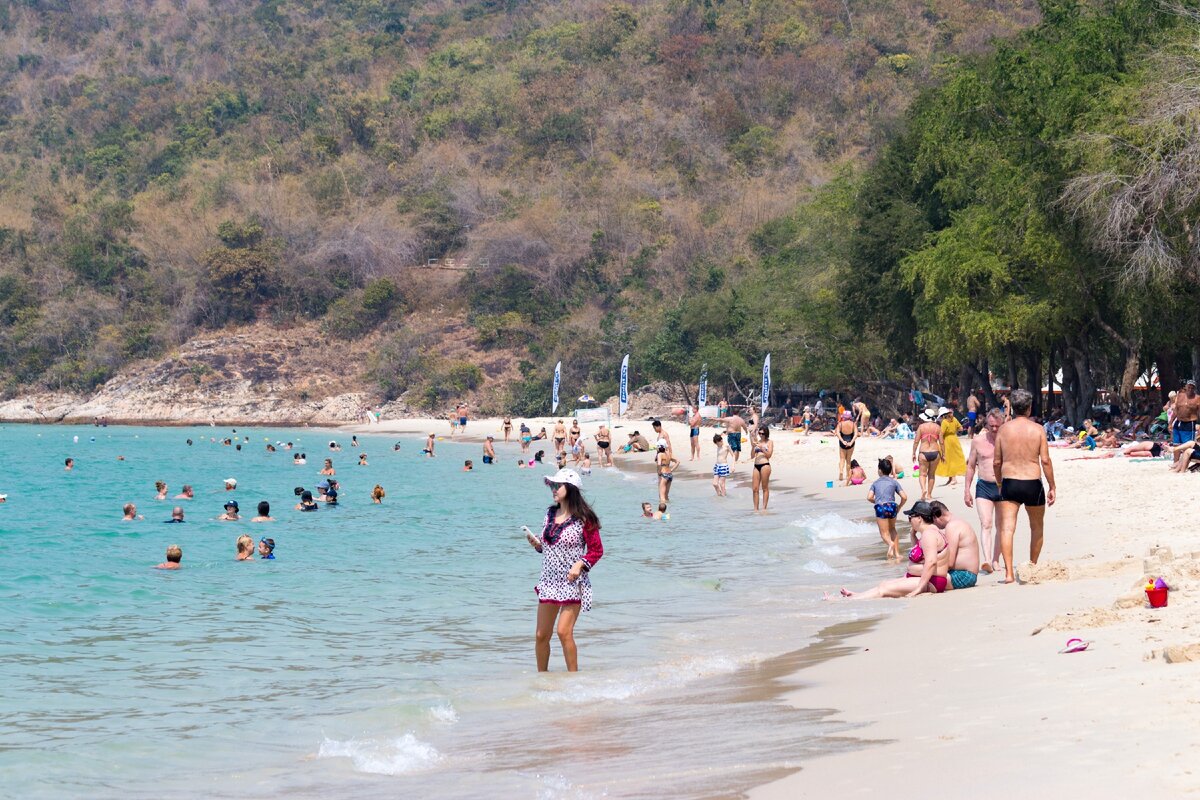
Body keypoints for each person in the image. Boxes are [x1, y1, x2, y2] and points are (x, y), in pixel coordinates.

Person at [528, 468, 604, 672]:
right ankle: (542, 679)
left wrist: (580, 564)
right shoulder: (549, 513)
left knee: (563, 632)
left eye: (556, 485)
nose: (552, 489)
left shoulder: (585, 518)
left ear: (570, 488)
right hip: (549, 581)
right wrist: (537, 545)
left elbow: (597, 550)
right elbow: (549, 546)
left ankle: (574, 679)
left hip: (572, 583)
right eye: (551, 485)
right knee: (541, 635)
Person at [994, 388, 1056, 584]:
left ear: (1012, 408)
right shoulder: (1037, 429)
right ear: (1029, 408)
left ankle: (1009, 574)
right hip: (1032, 483)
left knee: (1007, 529)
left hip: (1010, 482)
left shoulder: (1004, 429)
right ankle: (1032, 565)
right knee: (1036, 527)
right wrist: (1052, 486)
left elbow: (996, 462)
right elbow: (1045, 460)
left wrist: (999, 482)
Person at [839, 501, 950, 598]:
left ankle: (849, 601)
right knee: (884, 584)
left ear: (919, 518)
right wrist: (912, 536)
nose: (909, 520)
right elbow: (921, 553)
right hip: (925, 579)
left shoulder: (929, 535)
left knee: (884, 590)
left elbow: (931, 562)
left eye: (910, 517)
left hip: (931, 581)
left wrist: (919, 588)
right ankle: (857, 595)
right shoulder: (929, 532)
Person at [964, 409, 1004, 574]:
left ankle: (996, 559)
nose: (994, 429)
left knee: (1001, 526)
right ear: (987, 424)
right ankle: (987, 559)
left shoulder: (1007, 440)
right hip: (984, 486)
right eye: (991, 426)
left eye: (997, 426)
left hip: (1003, 487)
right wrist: (967, 490)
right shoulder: (978, 441)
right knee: (986, 523)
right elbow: (971, 466)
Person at [930, 500, 980, 590]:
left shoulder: (952, 526)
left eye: (931, 521)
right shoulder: (957, 522)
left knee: (924, 579)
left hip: (964, 576)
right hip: (966, 574)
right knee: (923, 575)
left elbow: (949, 562)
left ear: (935, 518)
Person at [867, 457, 907, 560]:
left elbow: (869, 497)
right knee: (892, 529)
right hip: (892, 506)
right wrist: (899, 506)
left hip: (881, 507)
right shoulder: (894, 482)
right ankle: (897, 554)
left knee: (884, 533)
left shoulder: (875, 483)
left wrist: (877, 502)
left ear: (880, 470)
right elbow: (904, 497)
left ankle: (890, 544)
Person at [911, 409, 943, 501]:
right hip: (935, 452)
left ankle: (923, 490)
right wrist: (943, 454)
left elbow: (916, 441)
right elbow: (941, 442)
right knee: (931, 474)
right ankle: (929, 495)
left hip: (923, 452)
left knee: (922, 474)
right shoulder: (938, 427)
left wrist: (913, 453)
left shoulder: (921, 427)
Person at [937, 407, 966, 487]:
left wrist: (940, 440)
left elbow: (941, 433)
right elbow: (961, 428)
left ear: (943, 415)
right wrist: (954, 431)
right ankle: (950, 479)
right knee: (954, 458)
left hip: (947, 441)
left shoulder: (944, 422)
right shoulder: (955, 419)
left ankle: (953, 479)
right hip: (955, 439)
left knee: (949, 459)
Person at [751, 426, 773, 511]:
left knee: (765, 487)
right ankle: (755, 509)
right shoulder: (757, 442)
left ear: (766, 433)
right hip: (756, 465)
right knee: (755, 489)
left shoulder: (769, 442)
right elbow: (752, 456)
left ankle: (764, 508)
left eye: (762, 433)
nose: (760, 435)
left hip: (765, 465)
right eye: (759, 433)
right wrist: (753, 447)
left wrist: (762, 448)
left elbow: (769, 455)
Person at [1173, 380, 1200, 446]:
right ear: (1186, 387)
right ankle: (1176, 456)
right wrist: (1171, 423)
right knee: (1176, 444)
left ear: (1194, 389)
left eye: (1192, 388)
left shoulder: (1197, 398)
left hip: (1189, 424)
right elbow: (1176, 410)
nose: (1190, 389)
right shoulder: (1179, 396)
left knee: (1187, 445)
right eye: (1189, 387)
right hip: (1178, 422)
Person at [836, 410, 858, 483]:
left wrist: (842, 441)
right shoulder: (853, 424)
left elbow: (838, 433)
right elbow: (856, 434)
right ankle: (848, 475)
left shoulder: (840, 424)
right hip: (851, 443)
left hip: (842, 443)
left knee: (842, 459)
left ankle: (841, 471)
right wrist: (851, 442)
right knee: (848, 460)